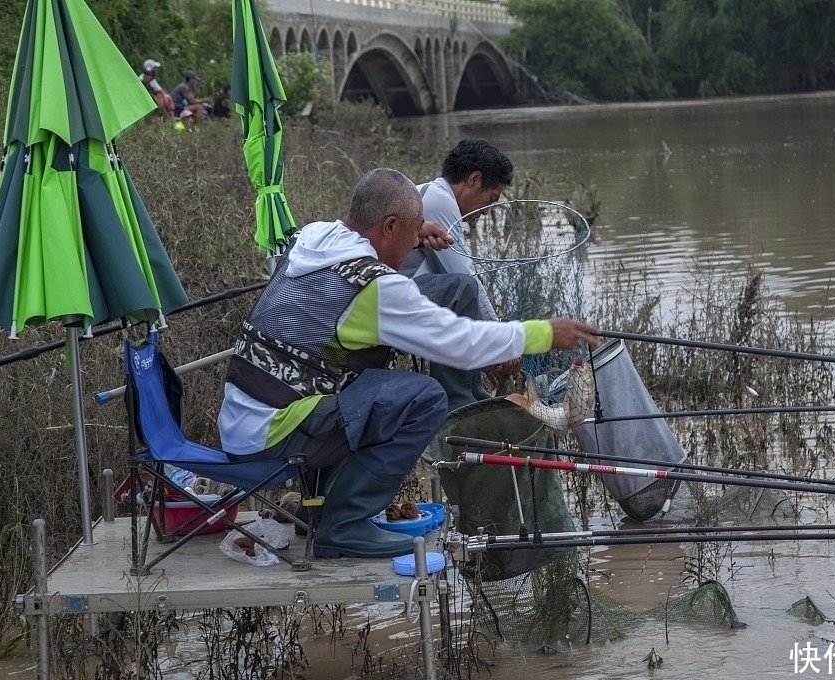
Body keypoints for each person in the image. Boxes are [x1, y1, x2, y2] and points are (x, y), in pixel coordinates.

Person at [217, 168, 600, 559]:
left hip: (242, 420)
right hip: (274, 435)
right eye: (411, 231)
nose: (415, 241)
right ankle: (343, 523)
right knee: (424, 398)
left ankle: (320, 504)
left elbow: (358, 275)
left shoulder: (313, 238)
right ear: (389, 225)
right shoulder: (376, 289)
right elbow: (460, 343)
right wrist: (543, 333)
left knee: (364, 382)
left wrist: (412, 236)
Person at [399, 138, 516, 412]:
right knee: (461, 290)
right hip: (392, 298)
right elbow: (465, 277)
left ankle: (472, 392)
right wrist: (500, 341)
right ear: (474, 179)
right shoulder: (439, 201)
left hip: (404, 294)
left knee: (459, 293)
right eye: (491, 199)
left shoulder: (430, 194)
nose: (487, 210)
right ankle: (457, 401)